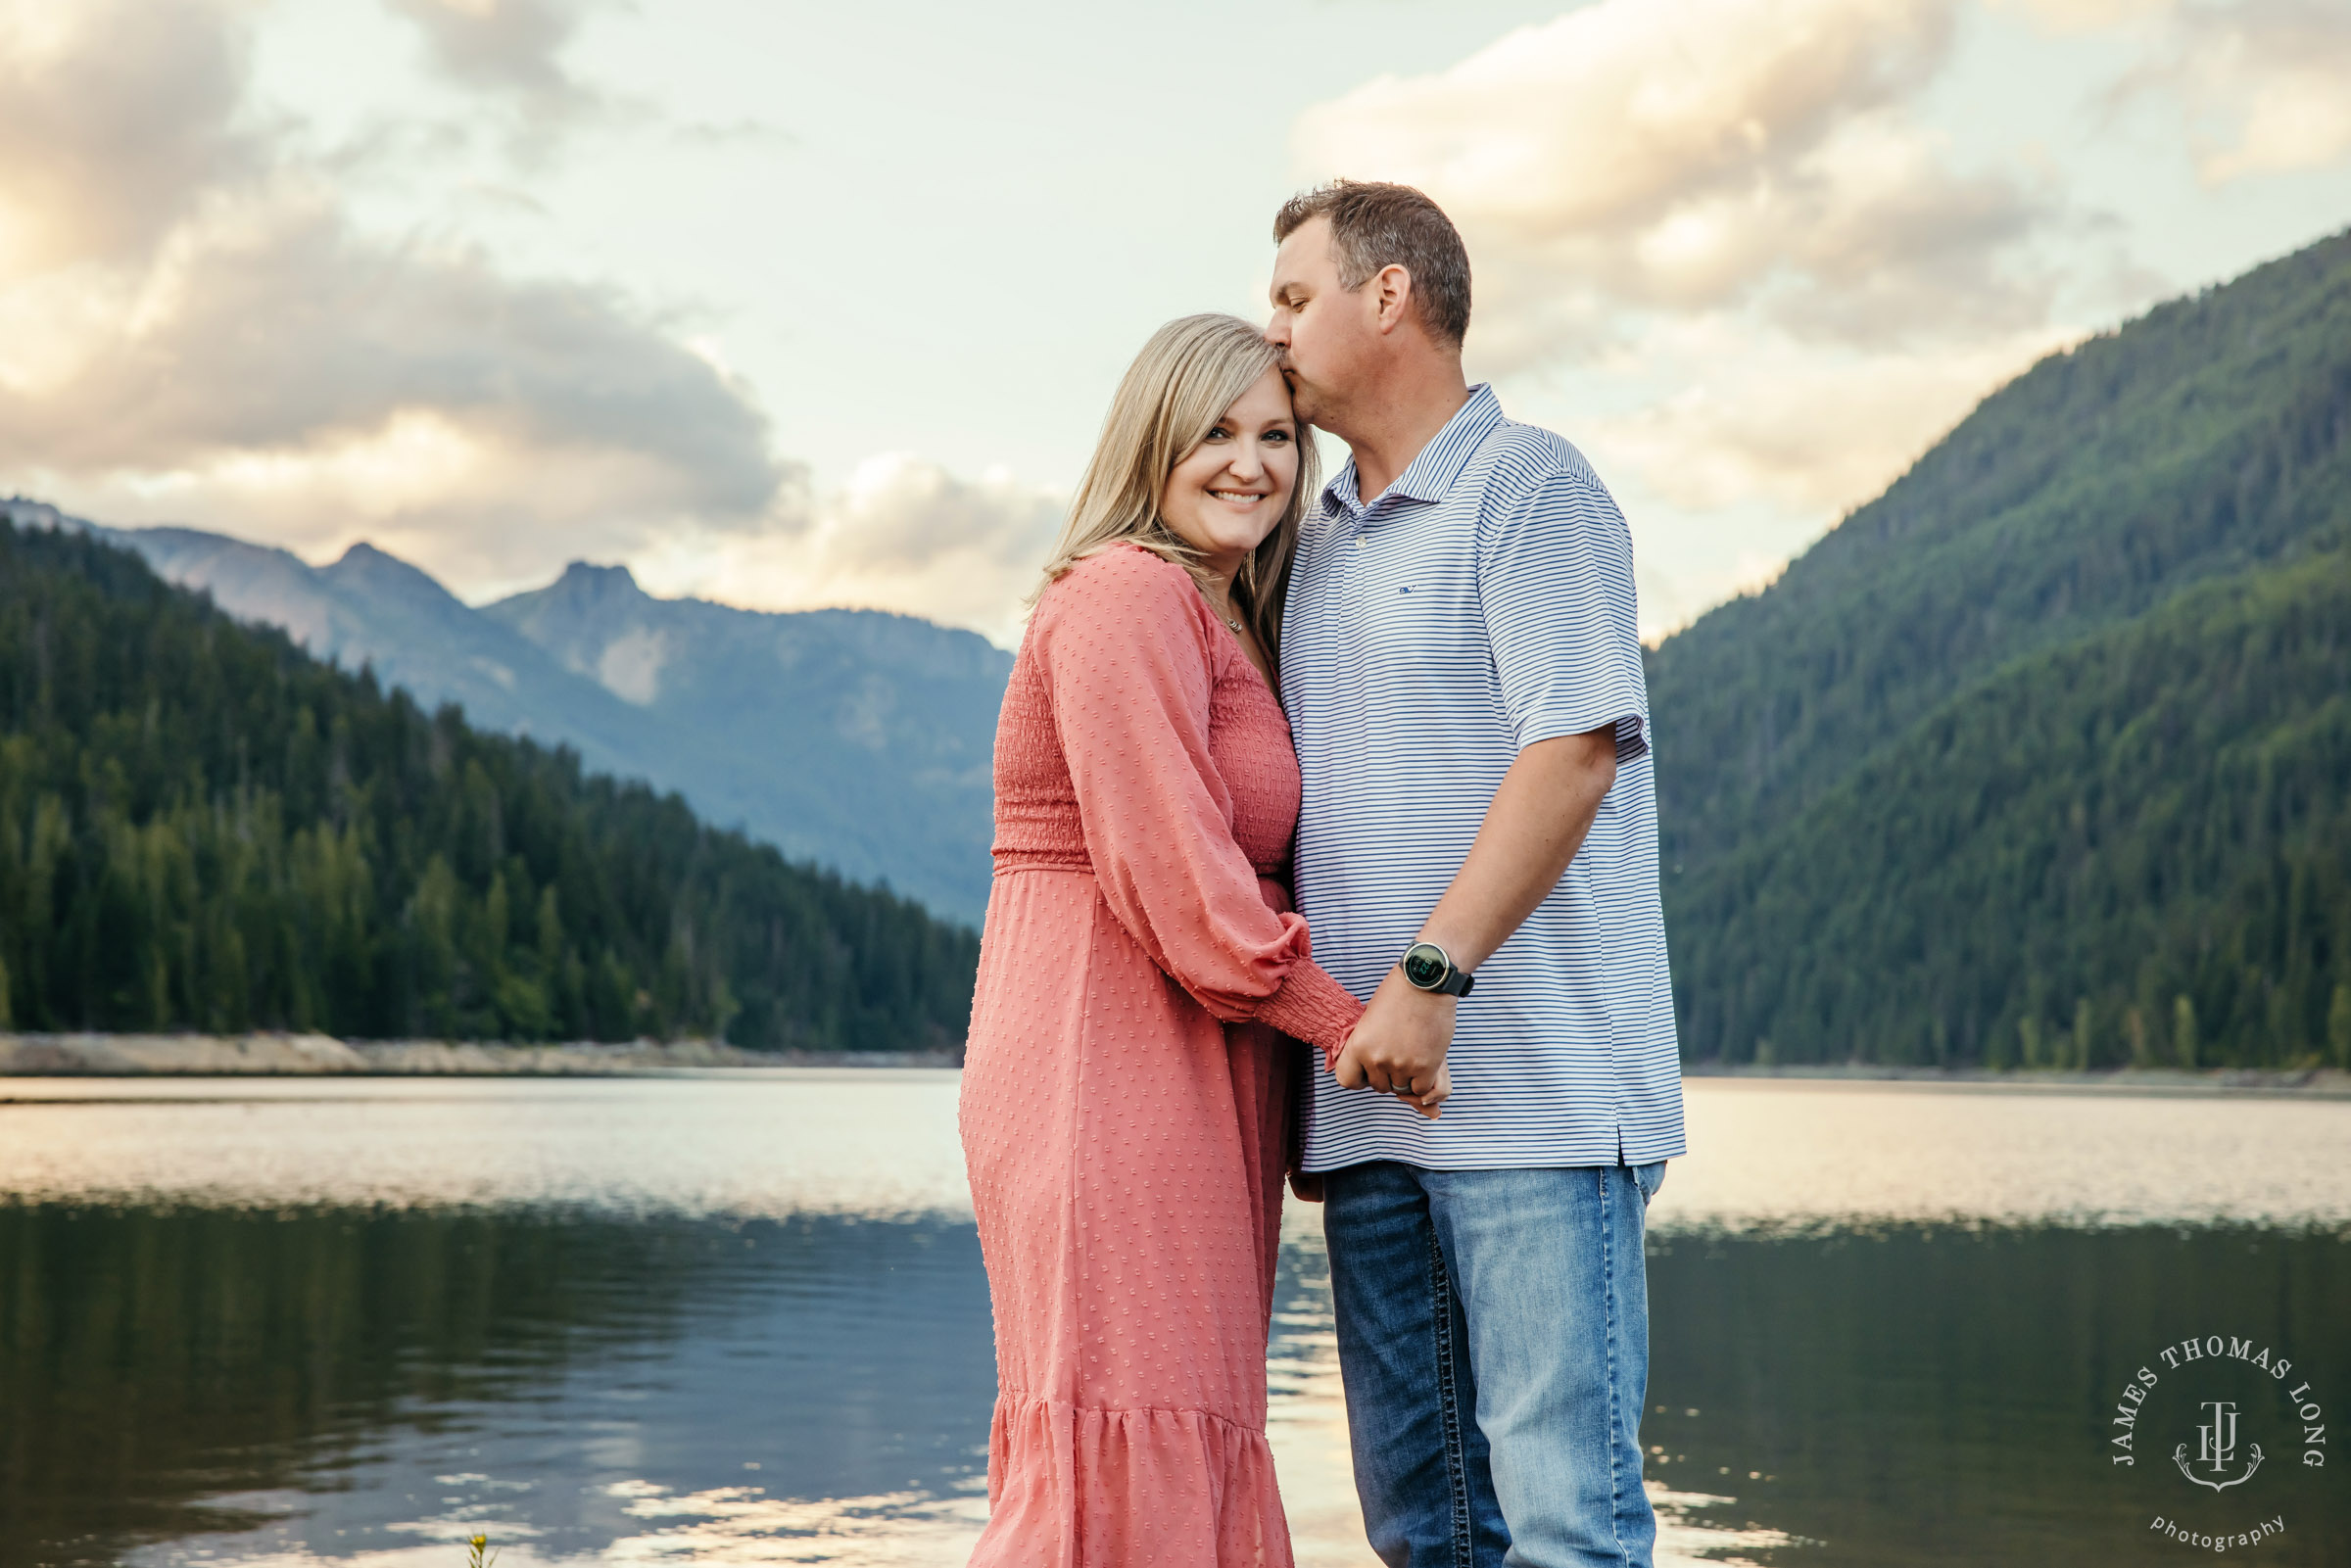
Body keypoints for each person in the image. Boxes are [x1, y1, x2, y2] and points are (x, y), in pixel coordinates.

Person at [1265, 181, 1688, 1568]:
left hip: (1539, 1107)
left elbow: (1574, 750)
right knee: (1427, 1533)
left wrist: (1431, 975)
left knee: (1572, 1526)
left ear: (1388, 295)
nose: (1269, 329)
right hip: (1372, 1118)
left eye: (1292, 296)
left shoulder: (1531, 485)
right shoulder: (1309, 535)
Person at [960, 312, 1419, 1566]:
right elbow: (1176, 874)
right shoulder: (1123, 593)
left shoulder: (1225, 618)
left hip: (1195, 1072)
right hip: (1101, 1071)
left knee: (1178, 1422)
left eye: (1277, 435)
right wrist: (1351, 1024)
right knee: (1117, 1434)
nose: (1251, 462)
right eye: (1215, 431)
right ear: (1151, 440)